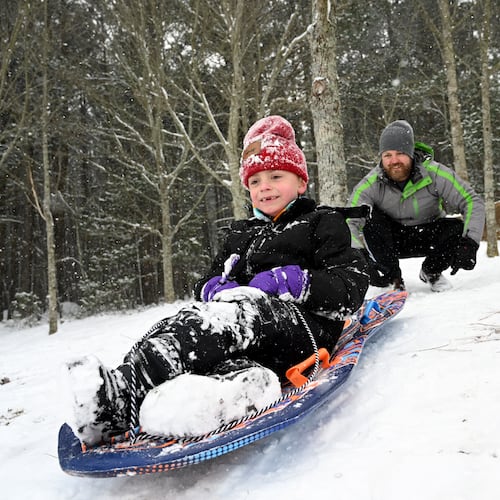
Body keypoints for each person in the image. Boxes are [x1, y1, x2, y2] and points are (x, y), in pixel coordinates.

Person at [66, 115, 369, 445]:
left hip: (304, 329)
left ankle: (120, 398)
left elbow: (349, 290)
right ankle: (231, 389)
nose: (264, 186)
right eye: (255, 182)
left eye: (276, 176)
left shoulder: (322, 222)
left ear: (300, 182)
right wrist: (212, 287)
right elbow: (210, 278)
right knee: (192, 322)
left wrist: (291, 281)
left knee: (228, 317)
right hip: (252, 337)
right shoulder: (241, 234)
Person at [347, 119, 485, 292]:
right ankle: (393, 280)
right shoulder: (370, 184)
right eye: (387, 155)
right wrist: (360, 257)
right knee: (371, 220)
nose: (394, 160)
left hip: (429, 235)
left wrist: (470, 243)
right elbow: (349, 221)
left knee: (456, 227)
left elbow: (472, 200)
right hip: (392, 240)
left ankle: (431, 271)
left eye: (400, 153)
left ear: (411, 153)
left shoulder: (434, 173)